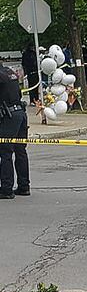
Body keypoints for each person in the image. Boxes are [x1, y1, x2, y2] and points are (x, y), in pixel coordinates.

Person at [0, 62, 30, 199]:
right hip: (21, 114)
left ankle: (6, 189)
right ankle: (24, 186)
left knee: (5, 151)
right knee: (20, 150)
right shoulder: (9, 72)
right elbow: (18, 93)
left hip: (10, 116)